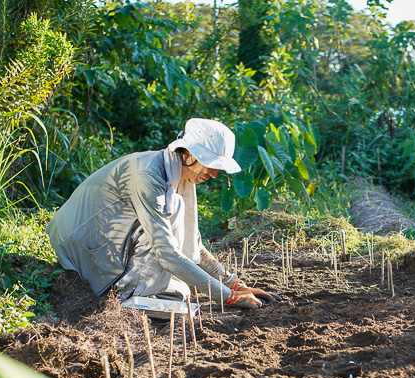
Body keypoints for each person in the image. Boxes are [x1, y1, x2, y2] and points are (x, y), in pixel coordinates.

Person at [46, 118, 280, 309]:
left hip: (104, 240)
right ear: (188, 154)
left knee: (181, 292)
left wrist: (235, 285)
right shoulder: (149, 178)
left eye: (218, 167)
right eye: (211, 164)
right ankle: (127, 298)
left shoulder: (178, 174)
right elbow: (167, 253)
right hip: (78, 247)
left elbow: (193, 244)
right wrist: (228, 297)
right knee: (171, 222)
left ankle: (137, 291)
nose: (215, 174)